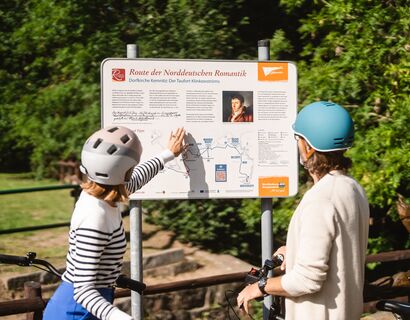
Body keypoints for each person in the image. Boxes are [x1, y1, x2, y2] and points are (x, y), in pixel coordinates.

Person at [237, 101, 370, 320]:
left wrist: (260, 287)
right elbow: (339, 248)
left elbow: (307, 280)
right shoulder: (353, 188)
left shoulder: (320, 200)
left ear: (308, 146)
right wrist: (296, 250)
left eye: (298, 139)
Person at [43, 126, 185, 320]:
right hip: (77, 311)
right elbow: (83, 291)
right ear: (121, 172)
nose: (132, 173)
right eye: (130, 168)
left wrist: (168, 155)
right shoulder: (95, 216)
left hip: (91, 304)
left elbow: (133, 181)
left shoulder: (100, 195)